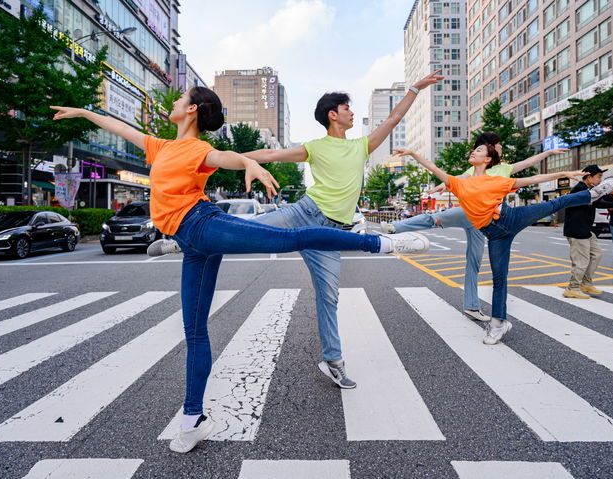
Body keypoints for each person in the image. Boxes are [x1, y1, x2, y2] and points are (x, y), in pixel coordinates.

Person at [50, 87, 429, 454]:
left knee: (291, 239)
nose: (175, 103)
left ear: (193, 109)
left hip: (204, 224)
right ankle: (193, 420)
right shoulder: (160, 146)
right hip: (194, 243)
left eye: (180, 100)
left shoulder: (199, 149)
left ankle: (381, 243)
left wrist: (249, 163)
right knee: (194, 331)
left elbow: (224, 157)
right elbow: (121, 128)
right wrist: (84, 113)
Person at [147, 70, 444, 389]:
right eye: (347, 109)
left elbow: (394, 118)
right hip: (305, 212)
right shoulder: (315, 146)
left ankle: (333, 361)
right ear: (334, 115)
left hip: (332, 231)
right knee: (248, 230)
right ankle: (185, 242)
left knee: (328, 296)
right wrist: (233, 160)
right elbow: (271, 154)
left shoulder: (363, 146)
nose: (352, 113)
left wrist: (414, 88)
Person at [401, 144, 613, 345]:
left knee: (555, 202)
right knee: (499, 278)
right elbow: (432, 167)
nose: (473, 152)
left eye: (478, 151)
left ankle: (591, 194)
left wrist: (564, 173)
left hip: (512, 217)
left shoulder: (497, 181)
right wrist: (412, 154)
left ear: (487, 160)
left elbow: (533, 179)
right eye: (473, 150)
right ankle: (498, 324)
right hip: (495, 235)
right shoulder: (458, 183)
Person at [372, 132, 568, 322]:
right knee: (435, 218)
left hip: (484, 222)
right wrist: (442, 185)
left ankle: (471, 306)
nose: (500, 147)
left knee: (474, 261)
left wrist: (548, 153)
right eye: (498, 144)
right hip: (468, 213)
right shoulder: (475, 168)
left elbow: (529, 164)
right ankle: (395, 227)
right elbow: (459, 178)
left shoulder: (504, 169)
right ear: (491, 147)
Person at [562, 165, 613, 299]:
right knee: (581, 261)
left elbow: (602, 198)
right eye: (599, 176)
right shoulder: (580, 190)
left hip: (586, 230)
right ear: (589, 177)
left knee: (596, 254)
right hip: (577, 230)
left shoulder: (590, 190)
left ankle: (586, 283)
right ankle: (572, 288)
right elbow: (598, 203)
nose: (601, 180)